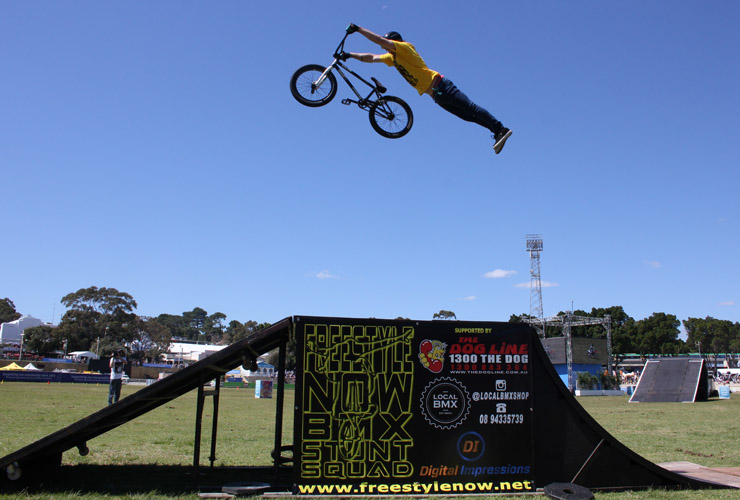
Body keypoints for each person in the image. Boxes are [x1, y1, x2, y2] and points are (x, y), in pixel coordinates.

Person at [344, 24, 512, 154]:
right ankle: (497, 133)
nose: (383, 49)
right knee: (467, 116)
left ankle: (500, 128)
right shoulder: (393, 58)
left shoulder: (404, 48)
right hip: (437, 96)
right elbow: (371, 58)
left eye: (387, 45)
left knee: (470, 108)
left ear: (395, 42)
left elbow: (381, 41)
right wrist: (350, 55)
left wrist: (358, 29)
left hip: (442, 86)